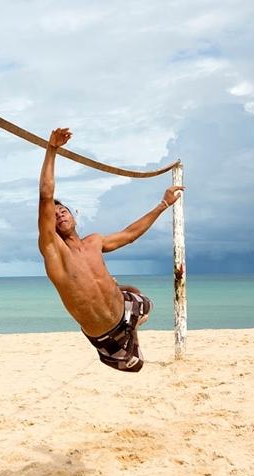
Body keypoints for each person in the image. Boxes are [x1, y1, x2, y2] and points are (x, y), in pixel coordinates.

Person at [38, 127, 185, 372]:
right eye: (53, 215)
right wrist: (52, 149)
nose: (59, 213)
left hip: (124, 309)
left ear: (73, 215)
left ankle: (121, 293)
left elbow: (129, 235)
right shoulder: (54, 250)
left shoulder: (94, 242)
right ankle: (125, 317)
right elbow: (45, 195)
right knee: (135, 366)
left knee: (144, 302)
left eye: (63, 209)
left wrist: (163, 204)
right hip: (105, 333)